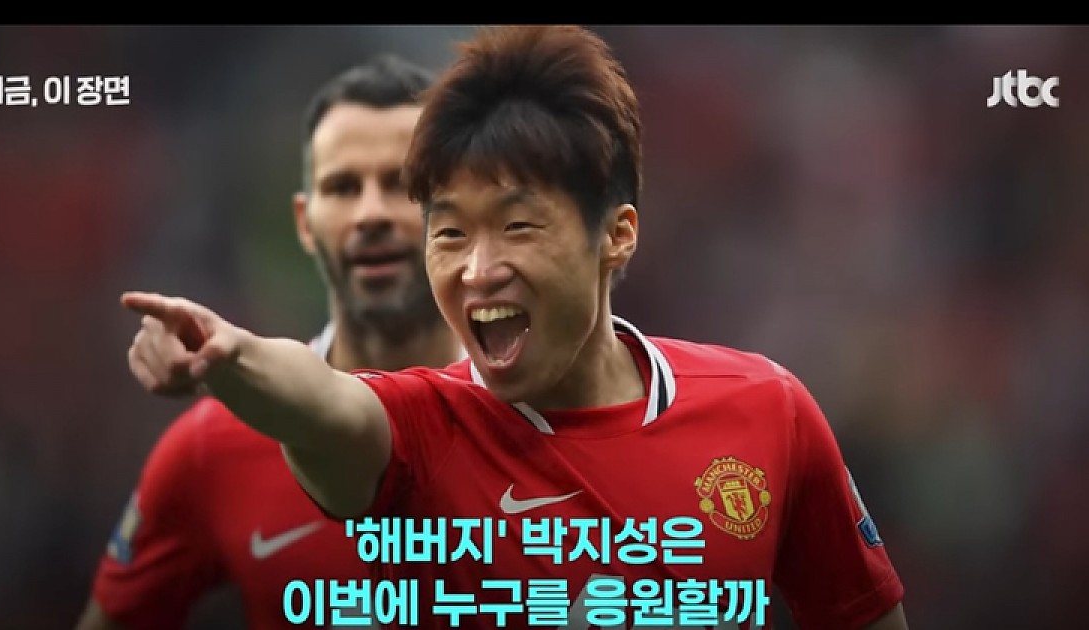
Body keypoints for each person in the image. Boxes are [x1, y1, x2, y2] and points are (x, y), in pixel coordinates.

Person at [120, 26, 909, 630]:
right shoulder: (427, 426)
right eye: (449, 233)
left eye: (518, 226)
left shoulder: (768, 411)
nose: (477, 269)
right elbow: (323, 401)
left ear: (617, 235)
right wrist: (228, 354)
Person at [78, 54, 465, 630]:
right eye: (343, 187)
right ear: (305, 223)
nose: (371, 214)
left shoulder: (535, 416)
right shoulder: (215, 447)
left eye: (401, 185)